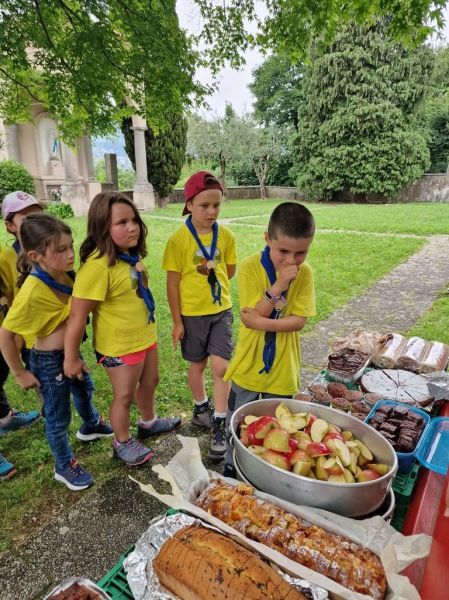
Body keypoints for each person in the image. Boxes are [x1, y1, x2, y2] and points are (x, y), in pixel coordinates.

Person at [63, 192, 181, 467]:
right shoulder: (97, 267)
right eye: (122, 222)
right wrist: (71, 357)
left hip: (144, 337)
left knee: (151, 382)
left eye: (134, 220)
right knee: (125, 396)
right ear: (103, 227)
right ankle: (122, 441)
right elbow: (77, 316)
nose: (132, 227)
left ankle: (148, 422)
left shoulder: (129, 256)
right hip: (119, 346)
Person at [0, 214, 113, 491]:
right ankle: (64, 465)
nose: (70, 254)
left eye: (70, 246)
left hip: (70, 354)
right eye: (61, 250)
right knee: (57, 416)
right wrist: (19, 372)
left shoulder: (69, 274)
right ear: (36, 256)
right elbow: (5, 334)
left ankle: (91, 425)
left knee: (85, 389)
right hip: (49, 363)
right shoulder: (32, 291)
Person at [222, 202, 316, 477]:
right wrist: (279, 285)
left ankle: (266, 472)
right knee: (238, 421)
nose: (291, 260)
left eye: (301, 253)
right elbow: (258, 313)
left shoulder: (305, 273)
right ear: (267, 239)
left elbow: (297, 322)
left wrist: (260, 323)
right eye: (283, 251)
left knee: (277, 427)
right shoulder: (252, 267)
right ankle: (232, 462)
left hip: (282, 367)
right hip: (249, 363)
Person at [162, 171, 237, 461]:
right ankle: (200, 407)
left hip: (220, 311)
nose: (211, 211)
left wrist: (211, 269)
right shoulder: (178, 240)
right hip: (192, 316)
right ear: (189, 204)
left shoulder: (226, 236)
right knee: (197, 365)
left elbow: (229, 271)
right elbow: (172, 283)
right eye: (204, 205)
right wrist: (178, 321)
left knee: (221, 367)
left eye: (216, 205)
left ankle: (219, 422)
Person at [0, 191, 44, 431]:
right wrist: (14, 336)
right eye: (25, 217)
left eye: (38, 215)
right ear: (10, 226)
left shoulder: (51, 248)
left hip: (48, 331)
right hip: (22, 336)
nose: (34, 222)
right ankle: (51, 415)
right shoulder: (5, 258)